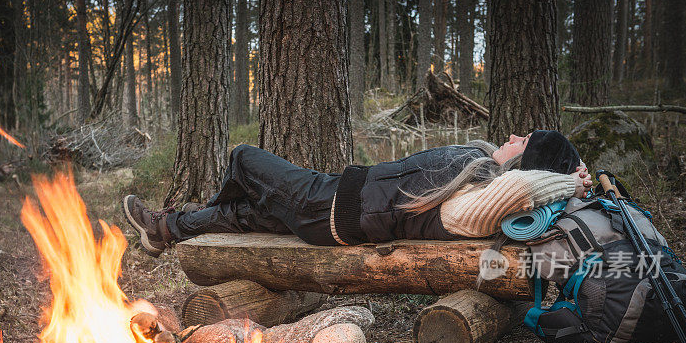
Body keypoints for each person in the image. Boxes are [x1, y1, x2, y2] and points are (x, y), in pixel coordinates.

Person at [123, 130, 592, 257]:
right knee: (245, 214)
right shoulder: (476, 168)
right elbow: (516, 181)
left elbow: (518, 190)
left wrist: (570, 181)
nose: (512, 136)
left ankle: (201, 210)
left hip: (323, 208)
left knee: (244, 158)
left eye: (522, 141)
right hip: (328, 201)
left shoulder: (472, 205)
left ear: (524, 164)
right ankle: (165, 229)